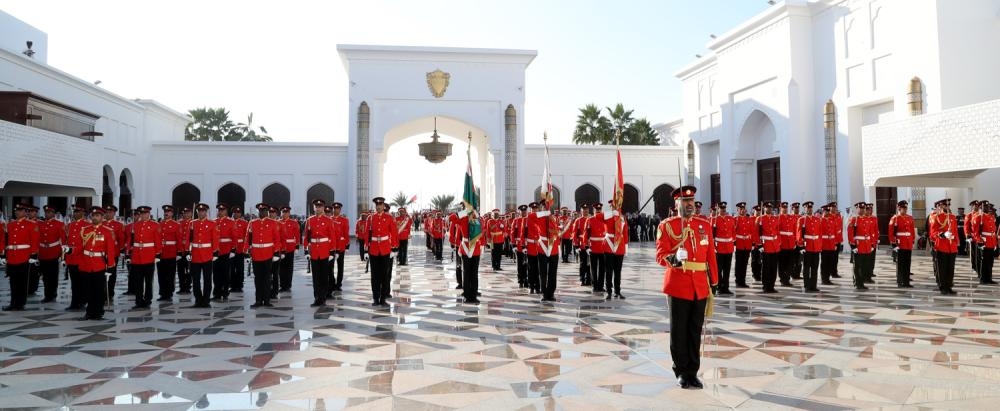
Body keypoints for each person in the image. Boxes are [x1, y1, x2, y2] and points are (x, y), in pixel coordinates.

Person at [655, 185, 718, 390]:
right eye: (685, 201)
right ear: (677, 204)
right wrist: (674, 258)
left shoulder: (704, 225)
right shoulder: (667, 226)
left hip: (699, 285)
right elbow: (660, 255)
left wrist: (714, 282)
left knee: (695, 330)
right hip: (678, 285)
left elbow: (711, 256)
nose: (689, 204)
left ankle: (693, 371)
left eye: (691, 201)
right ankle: (681, 370)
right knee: (679, 330)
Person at [76, 206, 118, 320]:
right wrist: (69, 252)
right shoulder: (85, 230)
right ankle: (89, 311)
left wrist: (110, 267)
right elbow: (80, 247)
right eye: (93, 215)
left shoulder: (108, 231)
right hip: (86, 264)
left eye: (97, 215)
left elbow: (110, 251)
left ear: (102, 217)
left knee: (99, 290)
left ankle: (98, 312)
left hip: (99, 264)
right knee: (87, 290)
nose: (94, 217)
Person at [1, 204, 39, 311]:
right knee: (13, 281)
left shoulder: (31, 224)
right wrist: (3, 255)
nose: (17, 212)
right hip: (12, 256)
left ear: (26, 212)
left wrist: (33, 255)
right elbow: (6, 240)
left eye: (20, 210)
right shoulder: (10, 225)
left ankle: (20, 303)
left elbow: (34, 240)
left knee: (22, 282)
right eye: (16, 210)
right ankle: (13, 303)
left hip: (24, 256)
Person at [247, 203, 282, 308]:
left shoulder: (273, 223)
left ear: (267, 212)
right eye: (260, 210)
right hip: (256, 254)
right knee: (257, 278)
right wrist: (247, 252)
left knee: (267, 278)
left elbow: (276, 239)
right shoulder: (252, 223)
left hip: (268, 254)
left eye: (264, 210)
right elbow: (248, 239)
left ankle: (266, 300)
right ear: (258, 212)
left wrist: (276, 252)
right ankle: (258, 300)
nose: (262, 212)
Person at [126, 206, 161, 309]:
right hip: (137, 256)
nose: (143, 215)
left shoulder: (155, 225)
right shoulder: (135, 225)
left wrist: (158, 254)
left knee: (148, 281)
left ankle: (148, 300)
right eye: (141, 213)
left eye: (145, 213)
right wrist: (128, 254)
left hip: (149, 256)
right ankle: (138, 300)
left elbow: (157, 241)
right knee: (138, 281)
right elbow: (130, 241)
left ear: (149, 214)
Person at [366, 197, 399, 306]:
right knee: (375, 276)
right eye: (377, 205)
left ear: (383, 206)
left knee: (385, 275)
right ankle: (376, 298)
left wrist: (394, 248)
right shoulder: (370, 218)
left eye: (380, 204)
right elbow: (367, 235)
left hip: (385, 249)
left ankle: (383, 298)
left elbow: (393, 233)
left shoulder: (389, 218)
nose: (379, 206)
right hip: (374, 249)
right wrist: (366, 249)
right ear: (375, 206)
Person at [303, 199, 336, 307]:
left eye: (320, 206)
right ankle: (317, 298)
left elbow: (332, 237)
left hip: (324, 251)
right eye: (316, 207)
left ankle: (323, 298)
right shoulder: (310, 220)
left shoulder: (328, 220)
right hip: (314, 252)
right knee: (315, 277)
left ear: (323, 208)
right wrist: (306, 250)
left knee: (324, 277)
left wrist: (332, 252)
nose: (318, 208)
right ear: (314, 208)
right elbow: (306, 236)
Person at [187, 203, 219, 308]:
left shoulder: (212, 224)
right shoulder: (192, 223)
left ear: (206, 212)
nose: (201, 213)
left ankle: (206, 300)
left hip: (207, 254)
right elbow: (189, 239)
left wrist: (215, 252)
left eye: (203, 211)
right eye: (199, 211)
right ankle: (198, 299)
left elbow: (215, 239)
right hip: (195, 254)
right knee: (195, 279)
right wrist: (188, 252)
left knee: (207, 279)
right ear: (197, 212)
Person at [929, 199, 958, 295]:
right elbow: (932, 234)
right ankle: (943, 287)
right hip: (941, 246)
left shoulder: (953, 217)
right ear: (941, 206)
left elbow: (955, 231)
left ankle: (949, 286)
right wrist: (942, 234)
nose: (948, 207)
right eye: (946, 205)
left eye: (949, 205)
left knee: (950, 268)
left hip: (952, 246)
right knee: (942, 268)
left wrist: (956, 241)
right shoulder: (936, 217)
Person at [37, 205, 66, 303]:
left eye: (49, 212)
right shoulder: (40, 224)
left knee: (52, 275)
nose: (47, 214)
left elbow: (63, 240)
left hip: (53, 252)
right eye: (46, 212)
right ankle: (47, 294)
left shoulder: (59, 224)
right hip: (43, 252)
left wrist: (62, 255)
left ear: (53, 213)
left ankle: (52, 293)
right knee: (45, 276)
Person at [65, 205, 89, 311]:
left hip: (81, 258)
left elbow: (86, 243)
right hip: (71, 258)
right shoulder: (70, 225)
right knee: (74, 282)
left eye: (77, 211)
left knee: (82, 282)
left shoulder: (87, 225)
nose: (75, 213)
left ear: (82, 213)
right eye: (74, 212)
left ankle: (83, 301)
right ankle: (74, 302)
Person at [888, 201, 916, 288]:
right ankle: (900, 281)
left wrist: (913, 240)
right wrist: (894, 244)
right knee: (900, 264)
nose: (905, 210)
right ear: (899, 208)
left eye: (906, 208)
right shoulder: (895, 218)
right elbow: (891, 232)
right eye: (903, 208)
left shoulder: (910, 218)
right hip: (900, 244)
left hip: (908, 244)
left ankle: (906, 281)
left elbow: (912, 231)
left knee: (907, 263)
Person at [754, 202, 781, 293]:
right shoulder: (760, 219)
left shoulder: (775, 218)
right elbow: (756, 233)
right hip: (765, 246)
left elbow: (777, 232)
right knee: (766, 268)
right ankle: (765, 286)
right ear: (764, 209)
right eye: (767, 207)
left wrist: (778, 243)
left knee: (773, 267)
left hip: (774, 246)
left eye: (770, 207)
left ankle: (772, 286)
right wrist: (759, 245)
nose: (769, 209)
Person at [796, 201, 823, 292]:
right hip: (807, 247)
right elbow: (799, 234)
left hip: (815, 247)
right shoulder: (802, 220)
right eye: (808, 208)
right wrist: (801, 246)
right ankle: (807, 285)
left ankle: (813, 285)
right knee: (806, 268)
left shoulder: (817, 219)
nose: (809, 209)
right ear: (805, 209)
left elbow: (819, 234)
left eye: (811, 208)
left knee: (815, 268)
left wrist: (819, 246)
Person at [604, 200, 629, 299]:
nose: (613, 208)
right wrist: (610, 214)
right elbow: (597, 216)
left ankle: (617, 291)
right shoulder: (607, 217)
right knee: (609, 271)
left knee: (618, 271)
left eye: (615, 206)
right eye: (611, 206)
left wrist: (626, 247)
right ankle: (609, 291)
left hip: (620, 247)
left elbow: (625, 233)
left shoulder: (622, 218)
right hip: (609, 247)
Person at [583, 202, 608, 294]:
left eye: (599, 209)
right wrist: (586, 246)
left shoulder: (605, 219)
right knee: (593, 268)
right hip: (593, 246)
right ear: (593, 210)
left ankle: (601, 286)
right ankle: (595, 285)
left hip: (603, 246)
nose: (598, 211)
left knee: (602, 268)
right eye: (596, 209)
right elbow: (586, 234)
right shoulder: (590, 220)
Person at [712, 202, 736, 295]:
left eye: (724, 209)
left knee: (727, 269)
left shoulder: (730, 219)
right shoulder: (715, 220)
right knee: (719, 269)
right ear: (718, 210)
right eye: (721, 209)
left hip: (728, 247)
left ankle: (726, 287)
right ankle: (719, 286)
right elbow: (712, 235)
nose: (723, 210)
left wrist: (732, 240)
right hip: (719, 247)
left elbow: (733, 231)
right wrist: (714, 246)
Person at [158, 205, 180, 301]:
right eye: (165, 211)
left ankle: (169, 292)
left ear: (172, 213)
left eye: (169, 212)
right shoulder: (159, 224)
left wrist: (179, 252)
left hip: (171, 252)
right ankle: (162, 293)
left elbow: (178, 239)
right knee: (161, 274)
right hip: (161, 253)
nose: (166, 213)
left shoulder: (176, 225)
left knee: (170, 274)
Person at [974, 202, 998, 285]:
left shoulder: (991, 217)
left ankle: (989, 278)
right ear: (981, 207)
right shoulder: (979, 217)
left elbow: (993, 231)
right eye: (986, 207)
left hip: (991, 242)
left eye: (988, 207)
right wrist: (979, 241)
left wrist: (995, 243)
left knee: (990, 261)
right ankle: (983, 279)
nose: (988, 208)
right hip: (984, 241)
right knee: (983, 261)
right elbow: (976, 232)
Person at [278, 206, 300, 292]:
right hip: (281, 248)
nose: (284, 214)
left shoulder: (294, 223)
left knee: (289, 267)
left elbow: (297, 235)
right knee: (281, 268)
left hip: (290, 248)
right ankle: (282, 285)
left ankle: (288, 284)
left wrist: (297, 246)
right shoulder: (278, 222)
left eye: (286, 212)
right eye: (283, 212)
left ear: (289, 213)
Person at [330, 202, 350, 292]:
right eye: (334, 208)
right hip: (331, 247)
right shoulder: (329, 219)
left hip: (341, 246)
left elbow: (346, 233)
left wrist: (347, 246)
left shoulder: (344, 220)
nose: (336, 210)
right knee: (330, 267)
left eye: (337, 208)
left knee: (340, 266)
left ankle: (339, 284)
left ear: (340, 209)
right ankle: (332, 282)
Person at [732, 202, 753, 289]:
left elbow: (752, 231)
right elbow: (733, 231)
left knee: (745, 263)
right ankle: (738, 281)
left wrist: (752, 242)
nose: (742, 210)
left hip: (747, 244)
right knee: (739, 263)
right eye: (740, 209)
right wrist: (734, 241)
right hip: (739, 243)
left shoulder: (749, 219)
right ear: (738, 210)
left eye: (743, 209)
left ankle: (743, 281)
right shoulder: (735, 219)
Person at [230, 206, 249, 293]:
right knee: (231, 268)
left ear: (240, 214)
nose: (236, 214)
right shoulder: (230, 222)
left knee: (240, 268)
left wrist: (246, 250)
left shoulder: (244, 223)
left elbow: (247, 237)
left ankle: (239, 285)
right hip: (231, 249)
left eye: (238, 212)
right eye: (235, 212)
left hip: (240, 249)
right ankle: (232, 285)